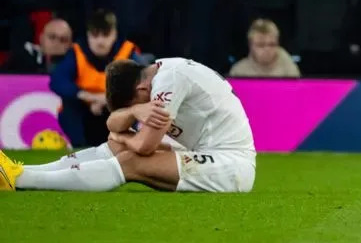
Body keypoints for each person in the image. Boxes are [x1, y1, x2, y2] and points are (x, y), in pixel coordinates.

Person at [0, 57, 256, 193]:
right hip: (203, 153)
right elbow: (113, 123)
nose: (141, 115)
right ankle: (22, 169)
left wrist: (124, 137)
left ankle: (21, 179)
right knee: (114, 146)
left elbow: (144, 146)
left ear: (142, 88)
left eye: (138, 103)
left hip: (231, 166)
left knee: (130, 160)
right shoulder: (155, 74)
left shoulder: (169, 81)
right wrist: (134, 109)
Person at [49, 10, 140, 147]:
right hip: (84, 108)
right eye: (95, 35)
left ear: (114, 34)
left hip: (116, 108)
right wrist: (88, 97)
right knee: (69, 106)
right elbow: (57, 81)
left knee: (132, 106)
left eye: (105, 35)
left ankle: (123, 146)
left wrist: (107, 100)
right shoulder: (76, 52)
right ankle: (80, 147)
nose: (100, 41)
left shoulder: (127, 52)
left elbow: (141, 85)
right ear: (88, 35)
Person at [229, 19, 300, 78]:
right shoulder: (238, 72)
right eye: (261, 45)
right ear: (250, 45)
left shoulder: (289, 68)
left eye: (272, 44)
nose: (267, 49)